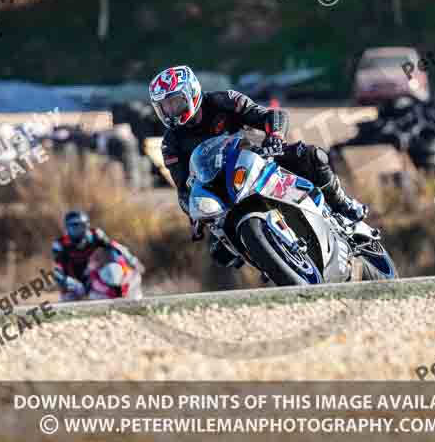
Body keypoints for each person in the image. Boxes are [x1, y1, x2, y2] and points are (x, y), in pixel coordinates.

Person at [149, 66, 368, 266]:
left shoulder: (224, 100)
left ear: (191, 93)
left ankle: (342, 204)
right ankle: (268, 259)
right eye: (164, 107)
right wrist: (195, 213)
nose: (170, 111)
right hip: (221, 191)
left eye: (174, 103)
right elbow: (183, 188)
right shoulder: (170, 143)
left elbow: (270, 115)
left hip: (261, 159)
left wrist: (274, 136)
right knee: (219, 255)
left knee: (312, 156)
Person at [52, 210, 143, 301]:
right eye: (74, 227)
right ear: (67, 228)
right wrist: (71, 282)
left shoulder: (95, 234)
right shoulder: (60, 244)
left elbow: (114, 247)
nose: (78, 230)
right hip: (73, 279)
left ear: (87, 226)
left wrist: (131, 260)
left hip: (91, 275)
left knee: (115, 266)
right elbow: (58, 270)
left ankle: (123, 291)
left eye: (81, 226)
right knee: (69, 297)